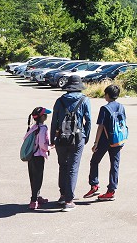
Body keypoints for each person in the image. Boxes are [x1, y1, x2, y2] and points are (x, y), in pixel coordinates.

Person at [51, 74, 91, 211]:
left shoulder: (59, 101)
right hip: (78, 137)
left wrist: (52, 139)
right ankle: (69, 200)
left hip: (61, 138)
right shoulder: (85, 100)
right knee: (73, 167)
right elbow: (88, 121)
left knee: (62, 166)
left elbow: (54, 121)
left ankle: (63, 195)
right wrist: (86, 136)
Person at [84, 84, 126, 201]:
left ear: (107, 94)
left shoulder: (105, 108)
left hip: (104, 140)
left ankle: (94, 185)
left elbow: (100, 127)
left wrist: (95, 143)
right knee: (114, 165)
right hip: (117, 140)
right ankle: (111, 191)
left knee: (94, 161)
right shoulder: (121, 107)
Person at [24, 106, 52, 210]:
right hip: (39, 156)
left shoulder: (33, 127)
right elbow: (42, 144)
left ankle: (36, 196)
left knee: (32, 177)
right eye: (45, 115)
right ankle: (34, 200)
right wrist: (50, 147)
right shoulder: (43, 128)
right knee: (38, 178)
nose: (46, 116)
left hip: (31, 156)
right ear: (42, 117)